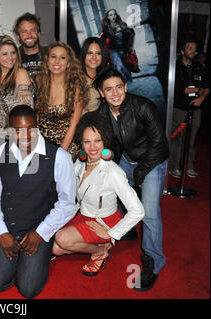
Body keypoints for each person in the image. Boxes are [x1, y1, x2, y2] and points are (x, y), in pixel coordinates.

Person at [0, 105, 76, 298]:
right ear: (10, 130)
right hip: (8, 226)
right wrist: (1, 232)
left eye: (30, 129)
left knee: (28, 289)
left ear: (37, 126)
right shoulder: (1, 152)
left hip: (38, 227)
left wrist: (41, 233)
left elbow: (67, 203)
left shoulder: (59, 157)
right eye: (17, 130)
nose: (25, 136)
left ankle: (43, 254)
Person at [96, 69, 169, 292]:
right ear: (101, 92)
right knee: (109, 189)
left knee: (149, 212)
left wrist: (140, 173)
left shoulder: (143, 106)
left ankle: (154, 260)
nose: (115, 93)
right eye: (109, 89)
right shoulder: (103, 111)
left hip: (153, 160)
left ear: (126, 86)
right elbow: (109, 143)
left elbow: (158, 143)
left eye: (119, 87)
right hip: (128, 158)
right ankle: (127, 228)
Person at [52, 112, 144, 275]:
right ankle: (101, 247)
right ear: (81, 142)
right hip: (84, 214)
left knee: (62, 239)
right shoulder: (80, 162)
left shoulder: (113, 172)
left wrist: (111, 232)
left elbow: (138, 210)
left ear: (105, 140)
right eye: (87, 142)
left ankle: (98, 252)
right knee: (56, 248)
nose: (92, 147)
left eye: (97, 141)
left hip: (104, 221)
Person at [35, 41, 89, 160]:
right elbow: (37, 118)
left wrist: (59, 155)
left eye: (62, 58)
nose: (57, 61)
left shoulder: (75, 89)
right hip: (41, 145)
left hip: (65, 146)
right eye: (53, 57)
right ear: (47, 60)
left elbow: (73, 126)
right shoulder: (40, 82)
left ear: (69, 63)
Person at [168, 39, 209, 179]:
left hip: (195, 109)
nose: (193, 51)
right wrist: (198, 89)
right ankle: (174, 167)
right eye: (189, 48)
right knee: (176, 139)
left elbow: (207, 87)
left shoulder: (199, 67)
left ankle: (188, 166)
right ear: (182, 51)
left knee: (191, 140)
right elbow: (178, 89)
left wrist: (201, 98)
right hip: (179, 109)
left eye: (194, 48)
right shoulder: (175, 67)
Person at [0, 35, 34, 137]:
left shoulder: (20, 74)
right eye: (4, 54)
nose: (11, 58)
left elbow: (27, 111)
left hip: (16, 137)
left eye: (13, 52)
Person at [99, 9, 137, 83]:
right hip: (113, 49)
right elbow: (103, 38)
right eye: (111, 15)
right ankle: (123, 81)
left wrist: (130, 46)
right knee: (119, 66)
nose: (113, 16)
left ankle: (129, 79)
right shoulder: (107, 28)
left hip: (122, 48)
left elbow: (130, 33)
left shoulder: (122, 24)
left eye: (114, 14)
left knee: (125, 64)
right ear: (108, 17)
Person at [79, 37, 110, 115]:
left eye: (98, 53)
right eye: (90, 53)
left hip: (94, 123)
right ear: (84, 55)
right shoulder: (74, 77)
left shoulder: (105, 78)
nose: (94, 57)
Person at [13, 12, 47, 79]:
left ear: (39, 33)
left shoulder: (50, 54)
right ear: (18, 36)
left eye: (33, 31)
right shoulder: (13, 58)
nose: (29, 35)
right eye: (24, 32)